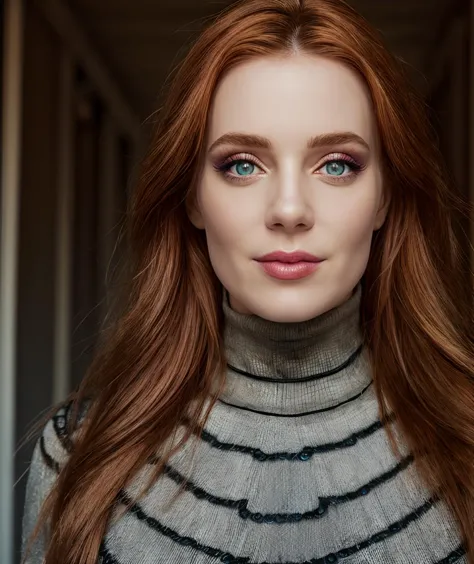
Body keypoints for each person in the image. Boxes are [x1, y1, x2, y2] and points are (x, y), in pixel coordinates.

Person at [21, 0, 474, 562]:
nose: (288, 209)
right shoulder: (76, 456)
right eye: (241, 164)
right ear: (191, 197)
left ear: (384, 197)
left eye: (337, 164)